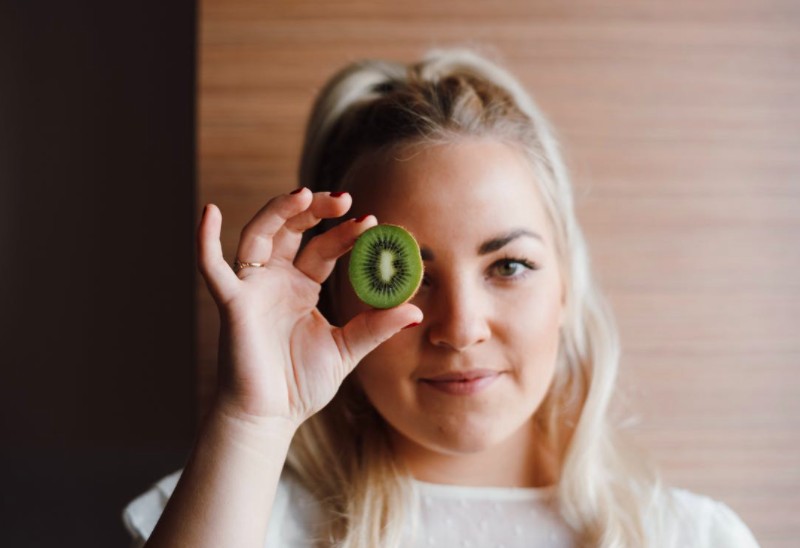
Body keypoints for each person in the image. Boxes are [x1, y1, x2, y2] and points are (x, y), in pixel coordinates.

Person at [122, 48, 760, 547]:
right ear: (336, 300)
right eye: (411, 274)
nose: (460, 328)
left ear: (567, 287)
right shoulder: (235, 517)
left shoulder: (696, 538)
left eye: (509, 265)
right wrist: (254, 420)